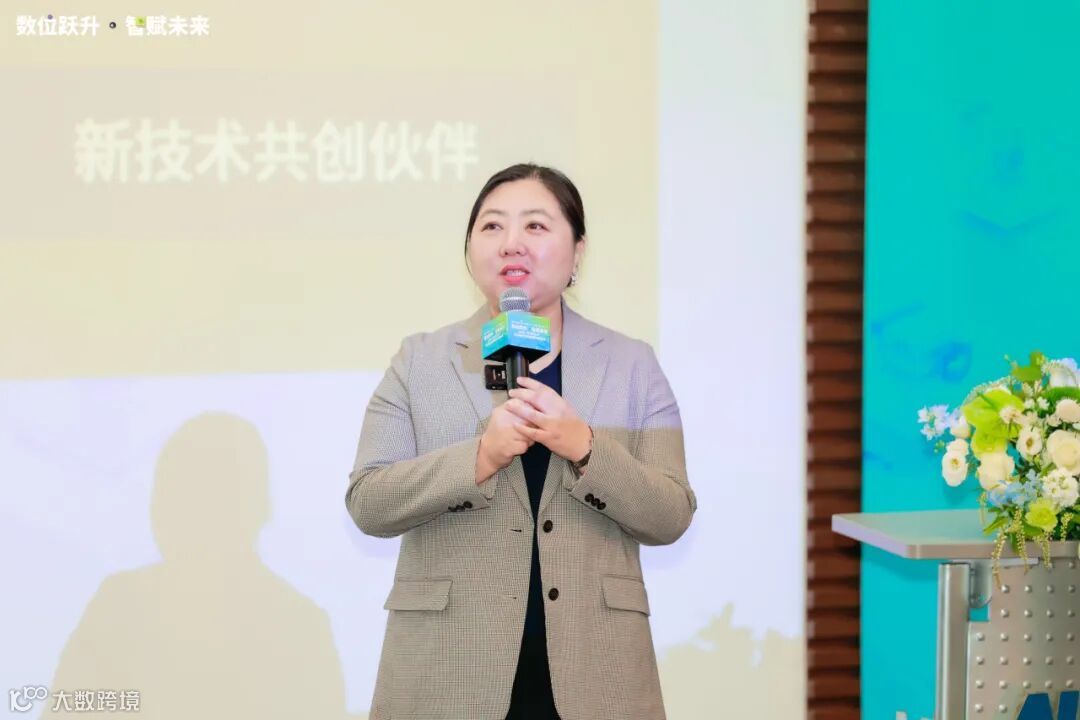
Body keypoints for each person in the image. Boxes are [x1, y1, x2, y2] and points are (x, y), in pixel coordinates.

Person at [346, 163, 697, 720]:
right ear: (469, 250)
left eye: (535, 225)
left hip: (598, 675)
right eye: (492, 226)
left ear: (578, 251)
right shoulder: (420, 361)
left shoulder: (631, 365)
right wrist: (480, 457)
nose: (511, 242)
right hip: (448, 672)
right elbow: (368, 501)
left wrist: (586, 447)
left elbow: (671, 513)